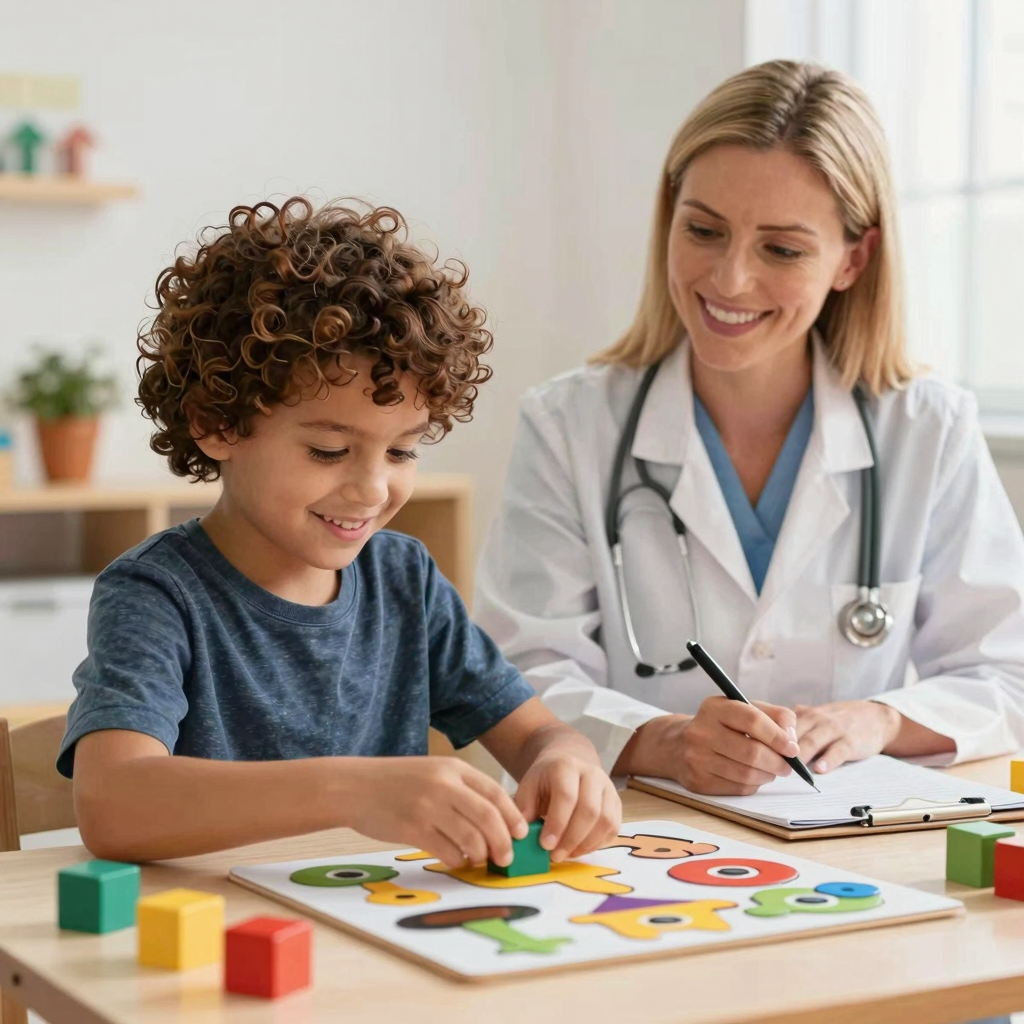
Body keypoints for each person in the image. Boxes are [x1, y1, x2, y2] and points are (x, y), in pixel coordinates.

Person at [475, 60, 1024, 798]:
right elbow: (515, 677)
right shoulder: (570, 425)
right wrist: (664, 742)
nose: (730, 280)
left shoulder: (927, 428)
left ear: (853, 259)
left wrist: (881, 719)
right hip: (631, 839)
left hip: (851, 845)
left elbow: (1007, 673)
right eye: (704, 230)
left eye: (782, 249)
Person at [58, 196, 621, 867]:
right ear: (218, 423)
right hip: (215, 941)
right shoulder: (157, 594)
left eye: (403, 452)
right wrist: (351, 788)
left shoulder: (404, 581)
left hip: (378, 934)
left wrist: (570, 758)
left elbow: (538, 736)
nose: (374, 489)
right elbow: (114, 805)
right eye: (329, 450)